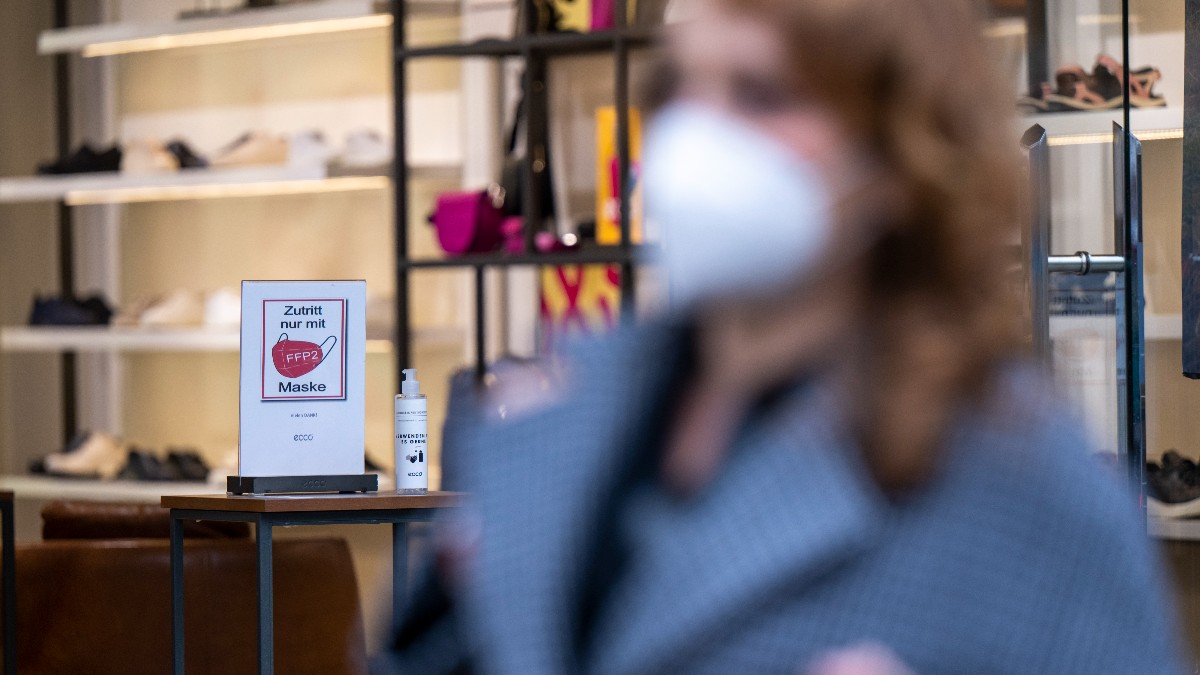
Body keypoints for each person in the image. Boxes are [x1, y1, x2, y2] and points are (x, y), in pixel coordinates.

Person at [376, 0, 1187, 672]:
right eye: (679, 90)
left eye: (761, 93)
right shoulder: (562, 417)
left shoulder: (1021, 487)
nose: (700, 137)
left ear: (901, 155)